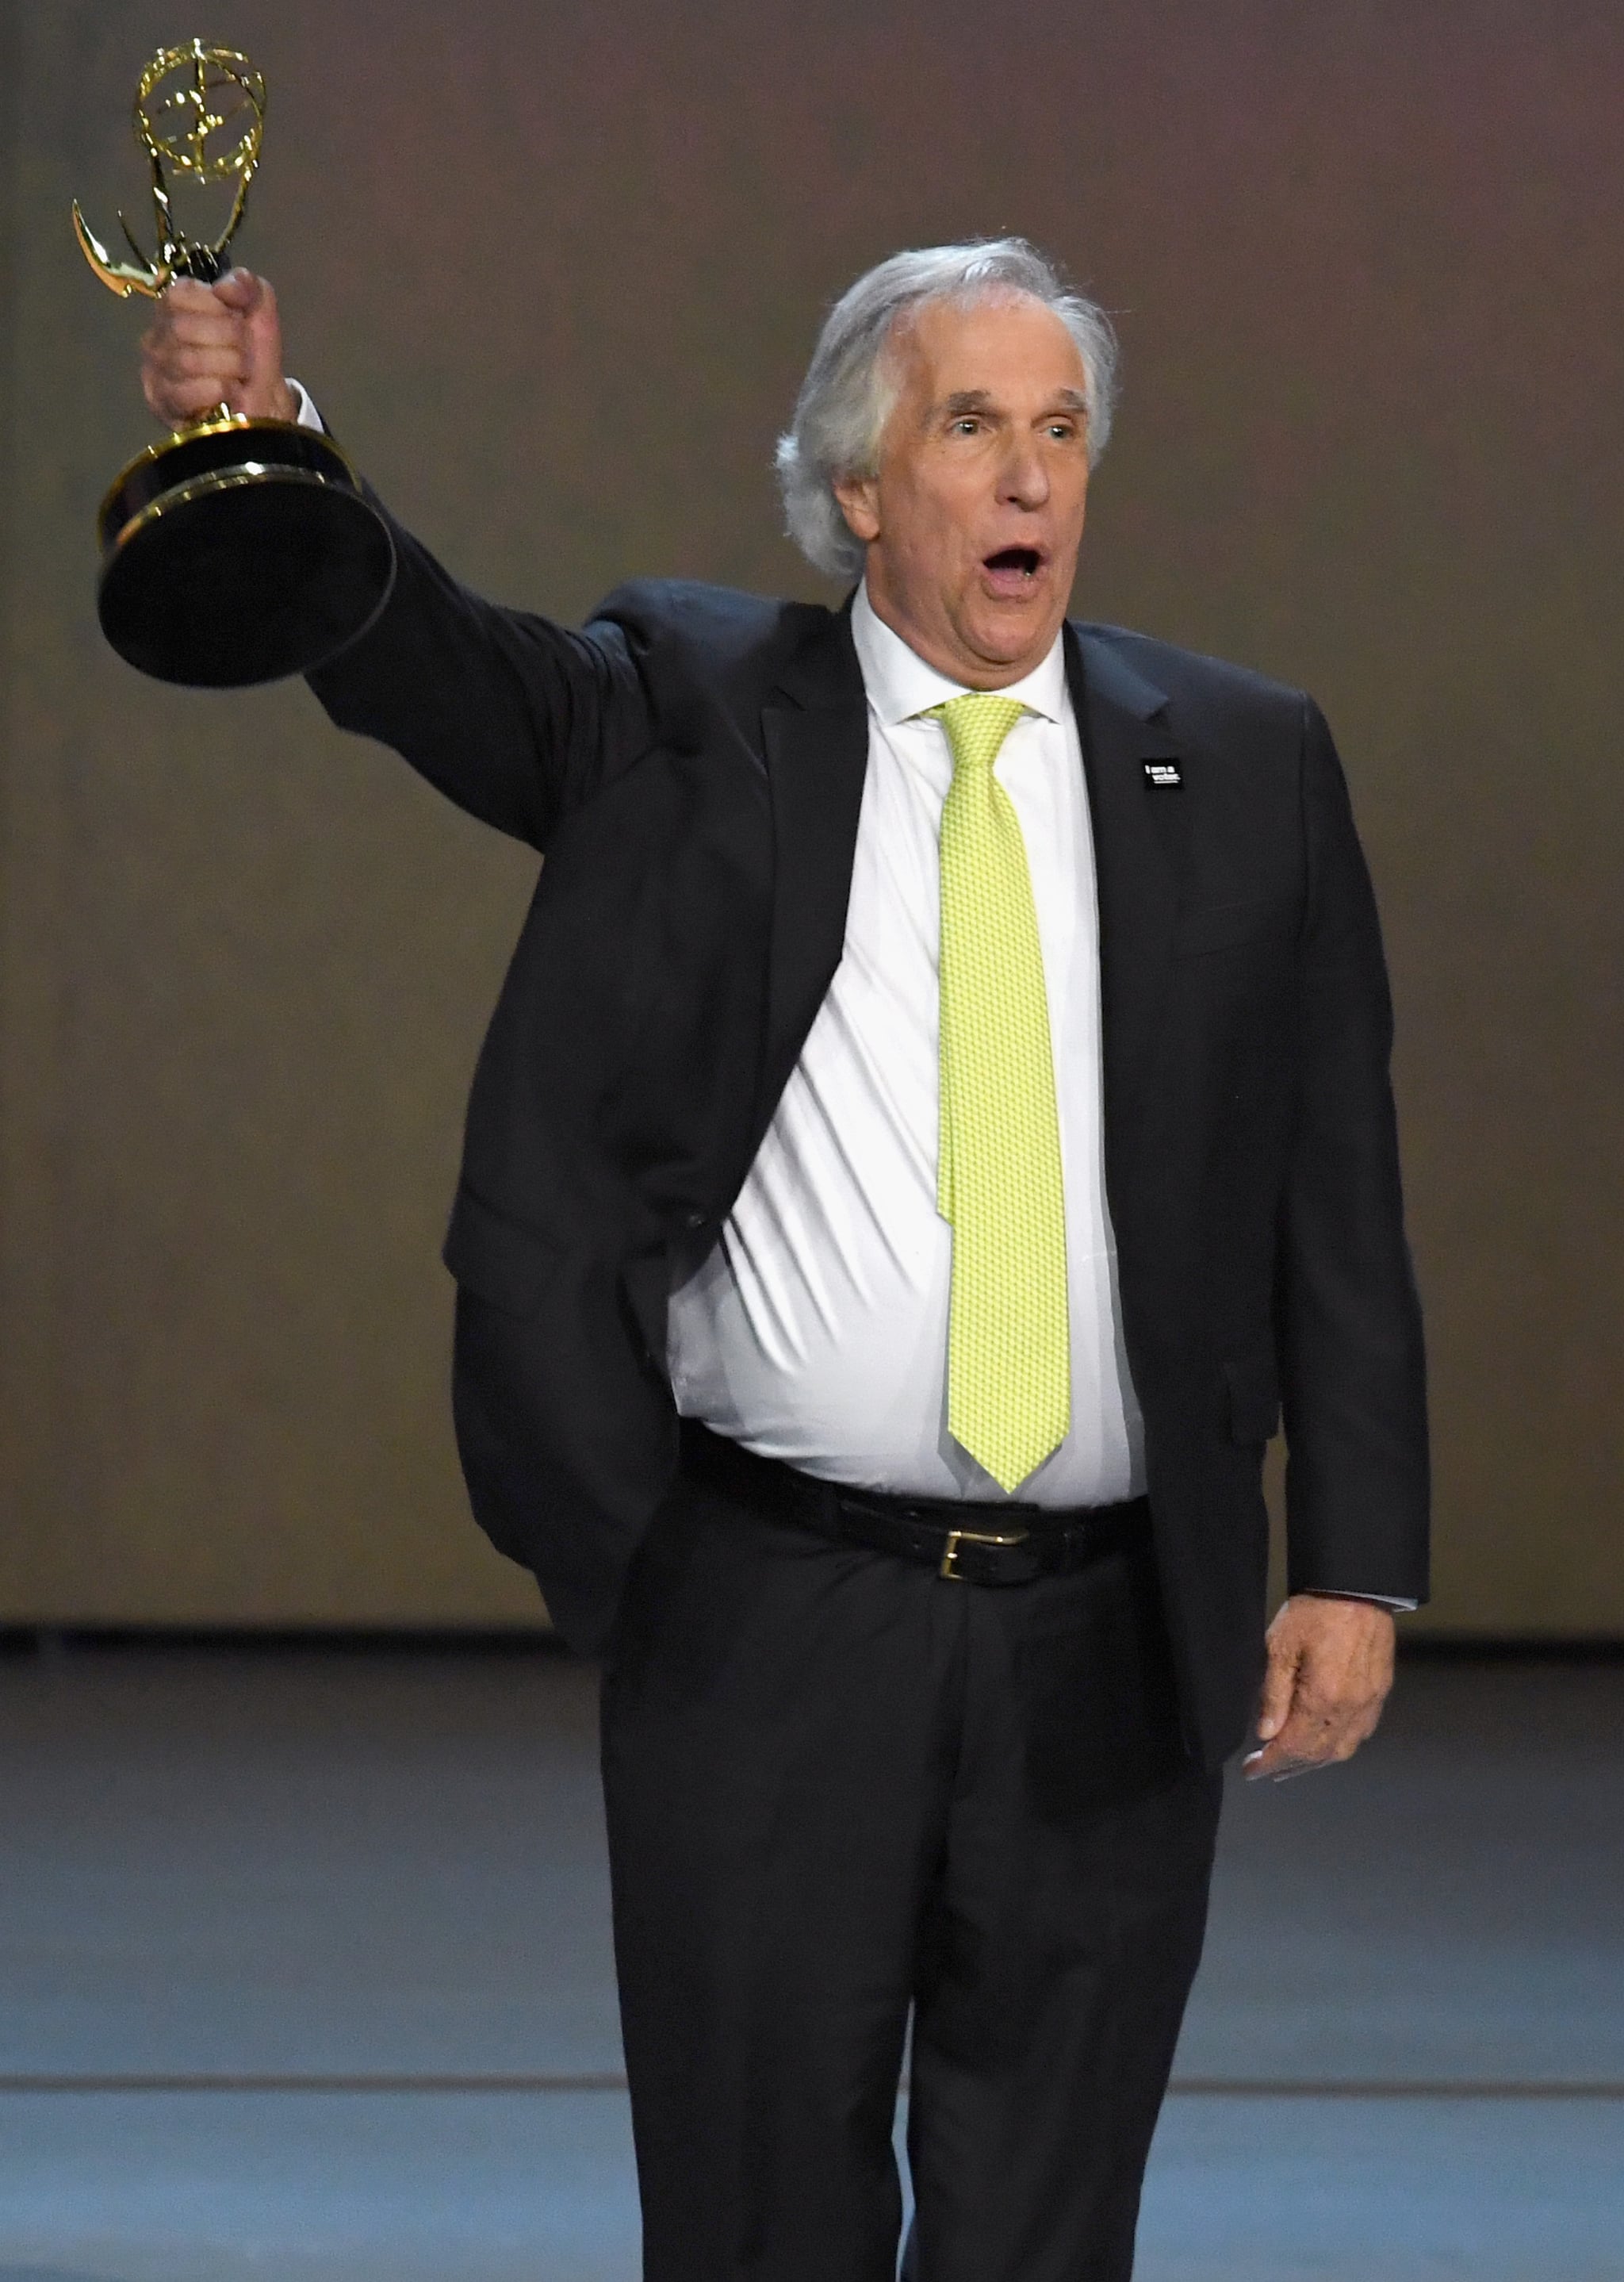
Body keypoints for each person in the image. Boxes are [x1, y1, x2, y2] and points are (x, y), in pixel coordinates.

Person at [140, 238, 1428, 2281]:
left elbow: (1332, 1186)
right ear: (856, 487)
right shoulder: (693, 708)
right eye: (971, 427)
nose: (1029, 483)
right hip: (769, 1619)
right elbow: (443, 672)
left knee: (1046, 2230)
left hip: (1115, 1646)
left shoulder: (1246, 758)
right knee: (755, 2217)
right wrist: (263, 451)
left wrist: (1352, 1557)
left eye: (1064, 431)